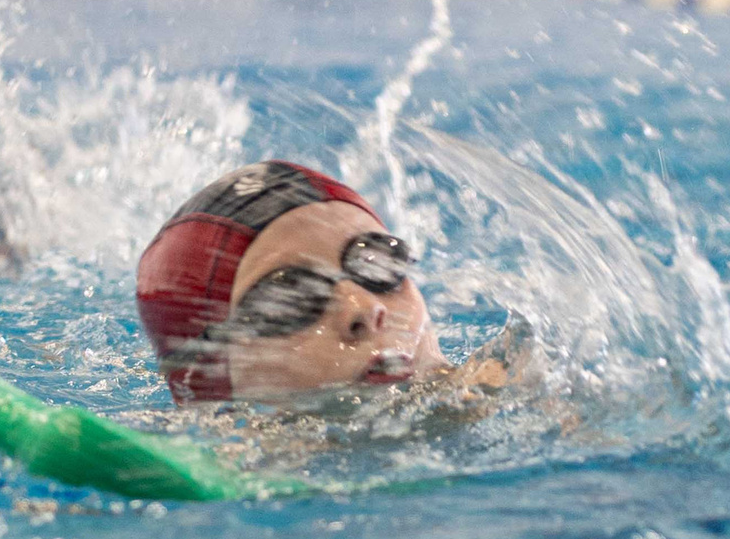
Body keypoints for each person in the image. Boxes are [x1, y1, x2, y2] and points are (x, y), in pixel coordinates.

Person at [136, 160, 513, 404]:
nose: (367, 309)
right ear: (211, 372)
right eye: (292, 296)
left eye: (376, 265)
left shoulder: (512, 389)